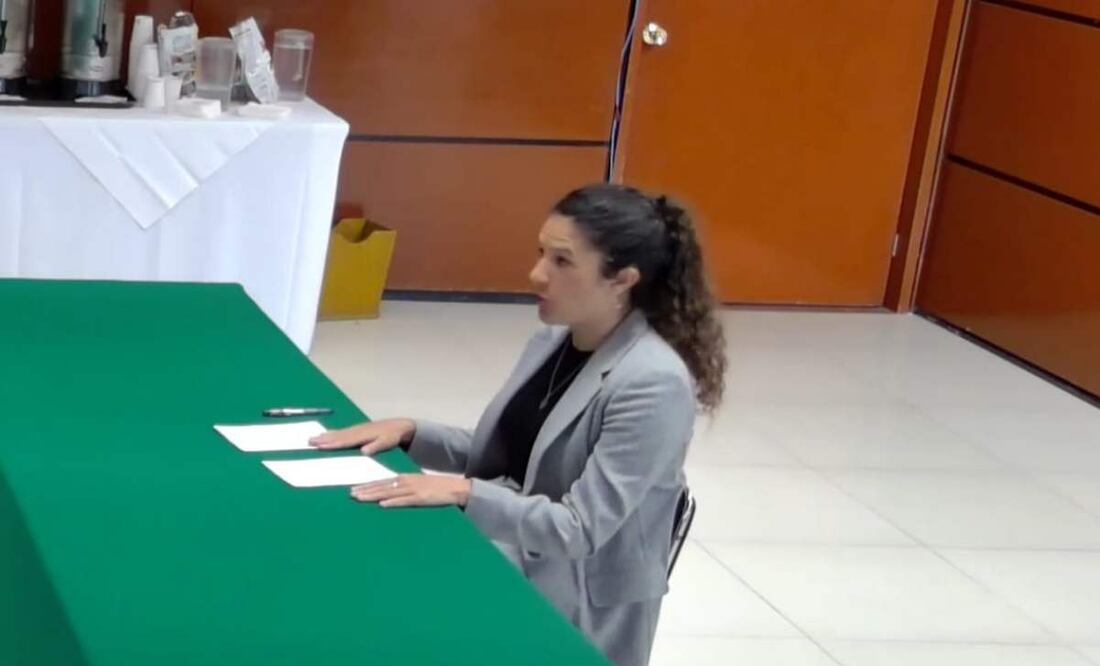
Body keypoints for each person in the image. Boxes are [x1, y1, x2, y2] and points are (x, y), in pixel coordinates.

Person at [310, 183, 727, 666]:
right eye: (540, 254)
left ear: (623, 279)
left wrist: (464, 493)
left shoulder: (652, 382)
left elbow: (578, 529)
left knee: (390, 588)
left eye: (562, 262)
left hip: (578, 593)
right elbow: (514, 456)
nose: (536, 274)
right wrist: (410, 432)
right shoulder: (554, 340)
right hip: (517, 547)